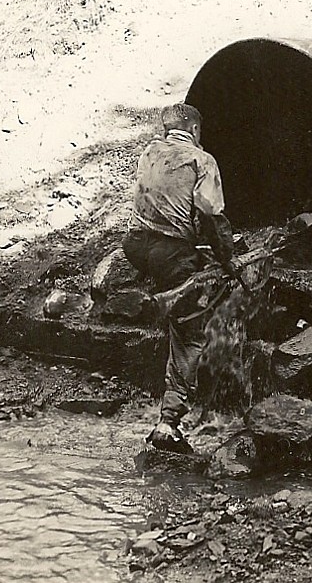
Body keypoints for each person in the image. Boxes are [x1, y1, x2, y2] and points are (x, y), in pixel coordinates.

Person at [122, 103, 234, 454]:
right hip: (170, 253)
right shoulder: (202, 161)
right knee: (189, 335)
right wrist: (226, 258)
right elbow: (210, 214)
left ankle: (154, 304)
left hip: (136, 245)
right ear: (196, 130)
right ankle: (169, 423)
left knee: (173, 297)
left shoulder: (149, 151)